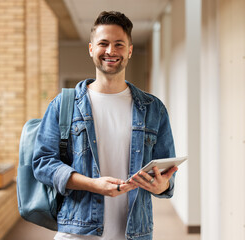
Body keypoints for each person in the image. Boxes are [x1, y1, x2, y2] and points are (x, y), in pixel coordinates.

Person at [33, 11, 177, 240]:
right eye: (103, 43)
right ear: (91, 49)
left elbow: (166, 177)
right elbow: (43, 163)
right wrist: (93, 184)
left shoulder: (153, 109)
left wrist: (161, 186)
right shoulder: (64, 104)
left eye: (119, 44)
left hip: (134, 232)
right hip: (78, 232)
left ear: (129, 50)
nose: (111, 51)